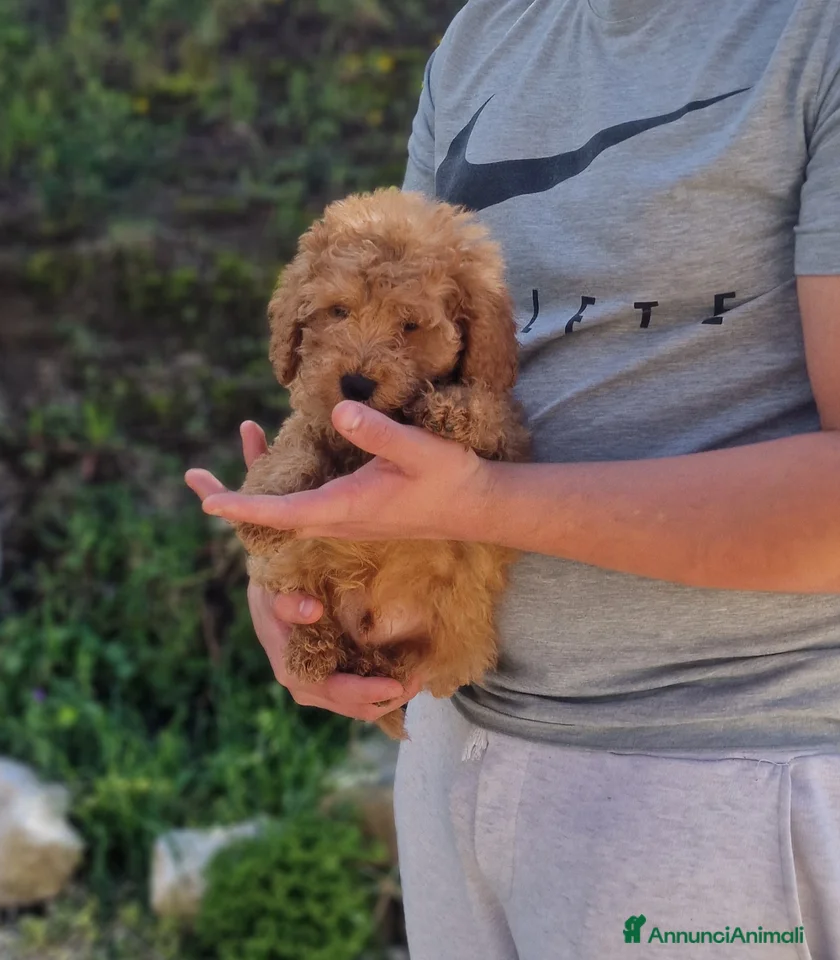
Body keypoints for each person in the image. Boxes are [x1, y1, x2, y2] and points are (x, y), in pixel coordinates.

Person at [186, 0, 840, 956]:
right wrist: (300, 565)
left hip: (713, 770)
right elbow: (387, 353)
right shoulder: (487, 34)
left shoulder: (811, 36)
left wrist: (485, 503)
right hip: (462, 745)